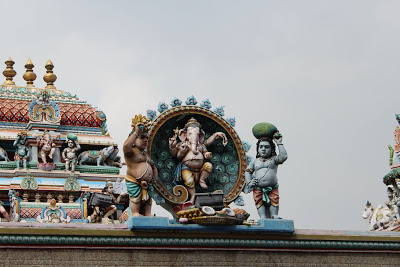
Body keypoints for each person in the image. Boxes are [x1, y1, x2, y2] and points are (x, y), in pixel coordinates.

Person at [245, 134, 287, 219]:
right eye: (261, 147)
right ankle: (262, 216)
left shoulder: (274, 159)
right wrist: (249, 182)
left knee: (274, 200)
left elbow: (283, 157)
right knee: (259, 202)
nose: (263, 149)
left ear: (272, 149)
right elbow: (247, 172)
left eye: (267, 147)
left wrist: (279, 143)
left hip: (272, 187)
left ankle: (274, 215)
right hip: (258, 188)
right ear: (258, 149)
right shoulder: (254, 161)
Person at [123, 115, 158, 216]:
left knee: (148, 199)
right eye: (142, 137)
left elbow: (153, 166)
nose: (146, 140)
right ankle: (135, 212)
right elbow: (126, 146)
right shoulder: (131, 152)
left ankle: (148, 213)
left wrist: (154, 178)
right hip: (134, 181)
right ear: (134, 142)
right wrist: (136, 133)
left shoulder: (145, 154)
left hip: (148, 183)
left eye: (147, 138)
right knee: (136, 198)